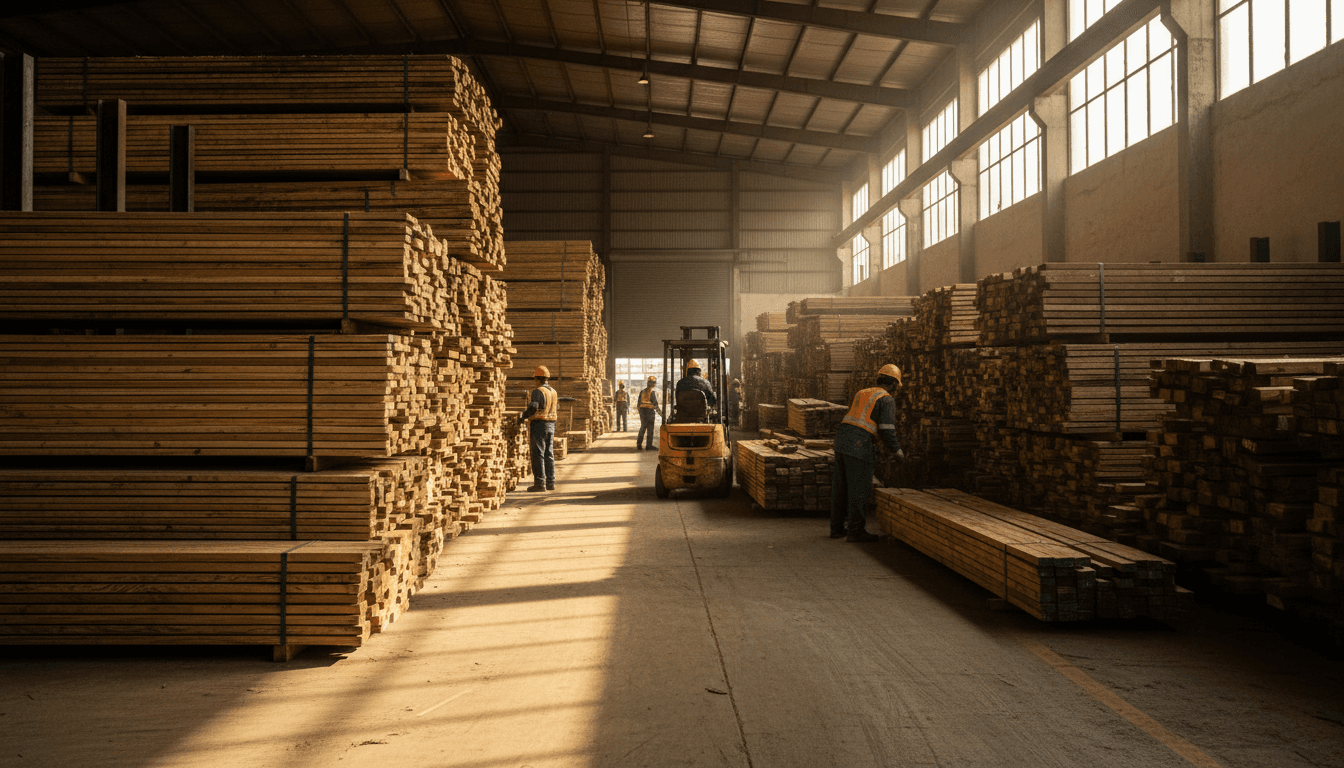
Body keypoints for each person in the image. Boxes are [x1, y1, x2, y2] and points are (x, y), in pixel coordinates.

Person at [830, 364, 905, 542]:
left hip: (841, 440)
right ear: (893, 384)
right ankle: (856, 532)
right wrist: (897, 451)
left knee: (841, 488)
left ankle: (836, 529)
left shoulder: (862, 392)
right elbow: (887, 430)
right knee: (859, 489)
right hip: (859, 443)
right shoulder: (886, 399)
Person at [516, 366, 558, 491]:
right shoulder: (553, 391)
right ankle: (550, 482)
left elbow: (533, 407)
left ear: (537, 379)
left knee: (538, 454)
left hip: (540, 424)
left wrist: (523, 417)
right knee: (548, 453)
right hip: (551, 424)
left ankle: (540, 483)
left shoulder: (538, 391)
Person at [636, 376, 659, 450]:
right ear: (653, 383)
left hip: (642, 411)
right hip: (649, 412)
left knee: (643, 427)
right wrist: (662, 414)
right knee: (650, 429)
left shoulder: (642, 391)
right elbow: (655, 404)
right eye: (654, 383)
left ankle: (639, 444)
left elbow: (638, 404)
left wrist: (640, 412)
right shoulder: (652, 392)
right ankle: (649, 446)